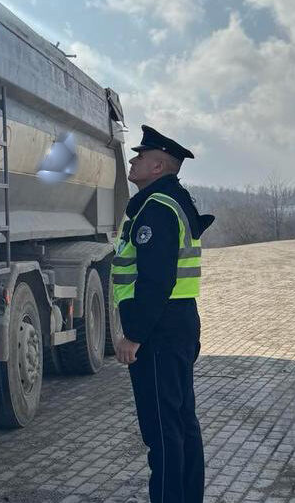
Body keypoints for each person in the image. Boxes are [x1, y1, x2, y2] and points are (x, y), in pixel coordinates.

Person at [112, 125, 215, 503]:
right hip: (177, 324)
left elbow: (155, 280)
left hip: (158, 331)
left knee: (163, 431)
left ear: (158, 166)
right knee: (182, 423)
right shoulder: (172, 202)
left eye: (140, 156)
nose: (133, 160)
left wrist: (133, 335)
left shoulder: (156, 209)